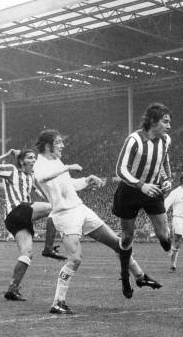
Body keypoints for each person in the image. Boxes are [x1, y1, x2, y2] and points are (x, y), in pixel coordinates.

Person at [33, 129, 161, 315]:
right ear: (48, 146)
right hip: (64, 215)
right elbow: (41, 178)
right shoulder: (40, 164)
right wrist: (67, 167)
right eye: (59, 142)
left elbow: (68, 186)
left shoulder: (56, 162)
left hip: (80, 209)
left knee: (118, 244)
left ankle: (140, 276)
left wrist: (86, 180)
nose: (63, 145)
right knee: (75, 259)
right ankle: (57, 302)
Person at [0, 148, 66, 302]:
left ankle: (12, 290)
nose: (33, 160)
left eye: (34, 158)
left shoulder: (31, 176)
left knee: (27, 254)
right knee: (54, 207)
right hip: (17, 210)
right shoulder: (11, 170)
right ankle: (48, 249)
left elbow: (39, 189)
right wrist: (8, 154)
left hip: (17, 220)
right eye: (30, 158)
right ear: (21, 161)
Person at [112, 103, 173, 284]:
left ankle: (167, 245)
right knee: (128, 236)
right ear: (153, 121)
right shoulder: (134, 139)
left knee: (164, 236)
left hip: (153, 189)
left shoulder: (166, 140)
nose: (169, 126)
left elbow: (163, 162)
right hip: (130, 191)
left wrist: (168, 179)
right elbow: (120, 169)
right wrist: (141, 185)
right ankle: (125, 274)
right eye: (166, 121)